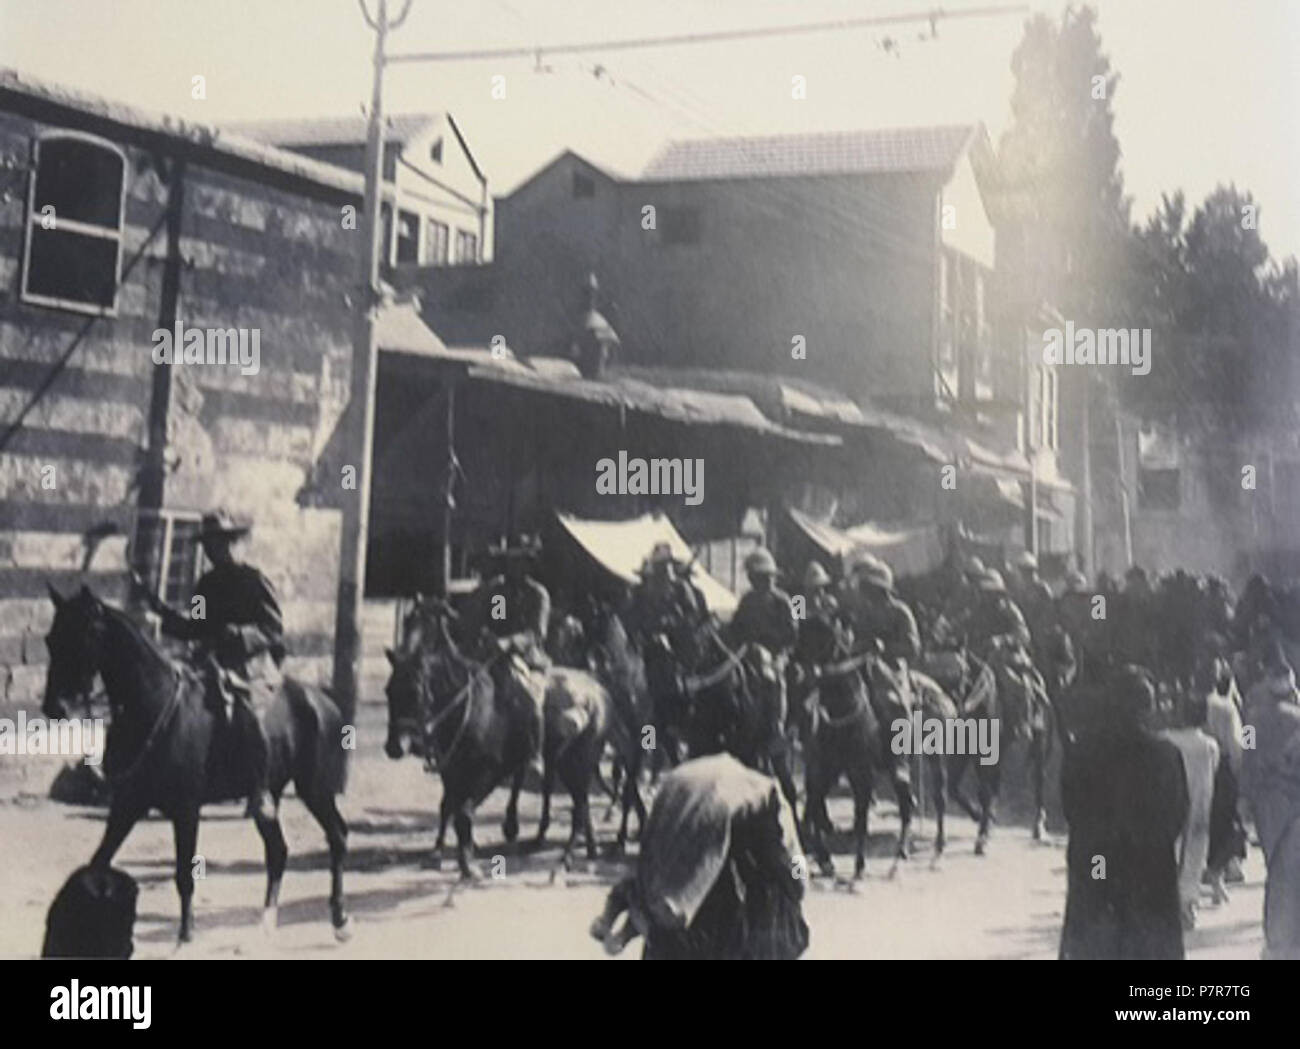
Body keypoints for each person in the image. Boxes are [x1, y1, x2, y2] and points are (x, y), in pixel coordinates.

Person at [132, 510, 285, 820]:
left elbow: (273, 628)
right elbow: (195, 626)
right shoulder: (205, 584)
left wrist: (239, 634)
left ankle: (261, 789)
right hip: (212, 663)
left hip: (251, 665)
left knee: (247, 713)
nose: (214, 551)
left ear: (234, 544)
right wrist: (159, 610)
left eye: (221, 543)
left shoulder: (254, 580)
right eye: (209, 545)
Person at [589, 753, 808, 959]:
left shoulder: (747, 797)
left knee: (659, 879)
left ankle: (621, 922)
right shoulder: (770, 795)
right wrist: (799, 882)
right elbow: (792, 853)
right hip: (711, 804)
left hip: (677, 788)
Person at [1060, 665, 1188, 960]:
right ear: (1147, 708)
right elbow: (1177, 816)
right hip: (1149, 877)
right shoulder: (1166, 756)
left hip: (1096, 867)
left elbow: (1071, 811)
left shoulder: (1081, 751)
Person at [461, 536, 551, 776]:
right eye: (512, 561)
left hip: (528, 658)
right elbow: (496, 620)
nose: (515, 567)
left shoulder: (538, 595)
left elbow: (536, 633)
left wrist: (510, 642)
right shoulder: (499, 592)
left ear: (529, 564)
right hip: (495, 655)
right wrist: (490, 635)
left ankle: (535, 753)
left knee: (529, 698)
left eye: (521, 561)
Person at [1240, 644, 1300, 958]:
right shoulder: (1298, 720)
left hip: (1265, 801)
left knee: (1273, 863)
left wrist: (1244, 797)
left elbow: (1246, 758)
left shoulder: (1251, 718)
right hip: (1292, 804)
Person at [730, 548, 798, 748]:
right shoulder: (747, 600)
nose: (760, 581)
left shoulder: (783, 601)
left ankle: (777, 724)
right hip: (748, 652)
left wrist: (777, 651)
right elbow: (736, 627)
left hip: (778, 653)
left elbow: (792, 634)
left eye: (764, 577)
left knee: (776, 681)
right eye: (756, 577)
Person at [624, 542, 706, 649]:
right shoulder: (637, 594)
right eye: (659, 568)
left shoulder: (678, 591)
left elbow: (692, 616)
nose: (663, 573)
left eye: (664, 568)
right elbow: (631, 622)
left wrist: (672, 623)